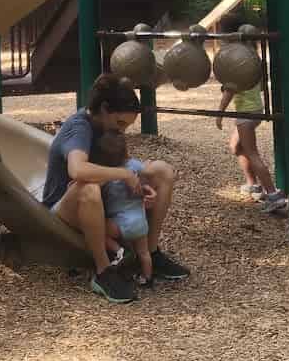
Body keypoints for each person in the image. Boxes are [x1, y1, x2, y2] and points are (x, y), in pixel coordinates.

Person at [41, 73, 190, 303]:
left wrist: (141, 187)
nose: (123, 131)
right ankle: (103, 271)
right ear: (104, 109)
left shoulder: (109, 128)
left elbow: (124, 164)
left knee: (162, 171)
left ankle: (148, 254)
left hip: (105, 199)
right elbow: (78, 171)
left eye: (126, 126)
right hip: (64, 206)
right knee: (88, 188)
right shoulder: (80, 127)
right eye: (120, 123)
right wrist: (124, 175)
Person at [211, 14, 287, 216]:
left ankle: (273, 195)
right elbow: (259, 86)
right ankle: (253, 185)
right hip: (254, 109)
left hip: (246, 113)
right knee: (235, 146)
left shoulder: (236, 58)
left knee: (252, 153)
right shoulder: (250, 54)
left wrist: (219, 114)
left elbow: (230, 89)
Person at [90, 129, 152, 285]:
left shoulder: (107, 174)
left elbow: (97, 189)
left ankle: (119, 250)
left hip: (120, 222)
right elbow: (145, 178)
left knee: (97, 231)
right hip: (140, 222)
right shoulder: (136, 166)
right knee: (144, 253)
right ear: (126, 151)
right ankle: (147, 278)